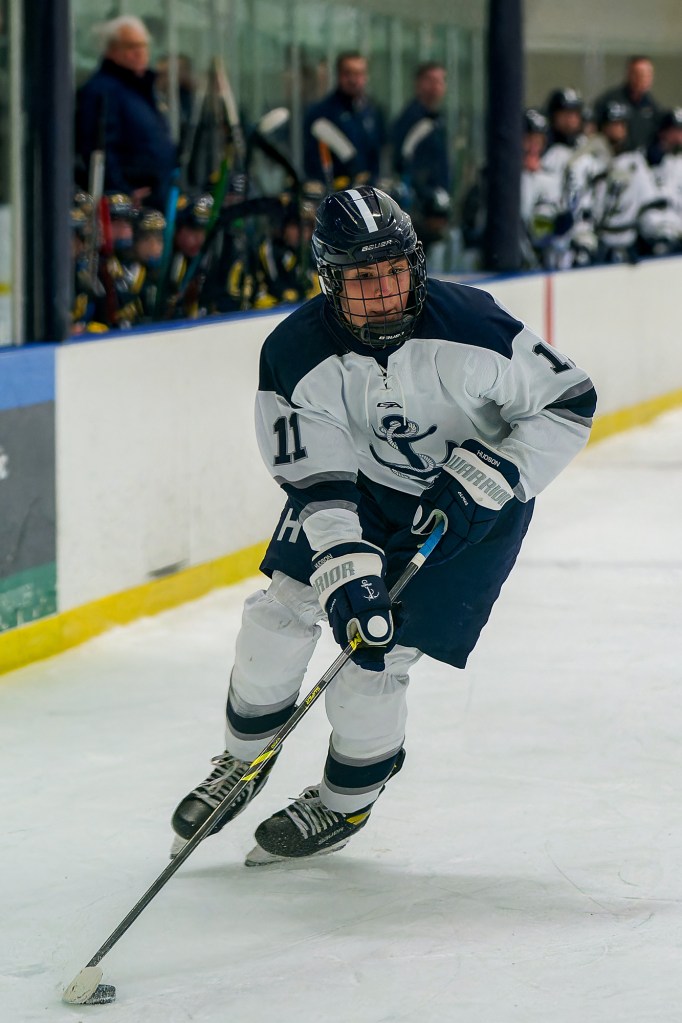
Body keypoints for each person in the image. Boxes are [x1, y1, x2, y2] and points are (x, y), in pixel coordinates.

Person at [169, 186, 596, 866]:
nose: (385, 293)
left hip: (474, 511)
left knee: (374, 656)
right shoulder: (294, 353)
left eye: (395, 271)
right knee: (279, 614)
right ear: (329, 280)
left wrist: (496, 472)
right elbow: (317, 478)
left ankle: (345, 801)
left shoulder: (474, 326)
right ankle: (241, 762)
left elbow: (569, 401)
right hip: (362, 490)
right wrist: (345, 565)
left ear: (415, 265)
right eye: (363, 278)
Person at [75, 15, 177, 211]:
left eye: (143, 46)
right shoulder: (103, 91)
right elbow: (99, 148)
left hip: (157, 198)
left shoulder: (141, 88)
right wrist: (122, 191)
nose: (140, 53)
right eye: (131, 47)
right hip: (127, 205)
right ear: (112, 50)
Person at [303, 52, 385, 189]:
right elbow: (313, 162)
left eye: (358, 74)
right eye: (348, 73)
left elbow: (378, 153)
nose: (353, 80)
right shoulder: (321, 113)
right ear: (338, 75)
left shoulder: (373, 111)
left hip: (369, 192)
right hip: (336, 193)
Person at [390, 62, 451, 216]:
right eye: (430, 80)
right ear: (418, 84)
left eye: (440, 81)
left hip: (436, 201)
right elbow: (402, 162)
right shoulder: (411, 120)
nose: (436, 86)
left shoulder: (437, 120)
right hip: (419, 207)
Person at [592, 55, 662, 153]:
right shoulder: (610, 100)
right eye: (639, 74)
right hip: (610, 155)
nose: (643, 79)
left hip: (640, 157)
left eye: (647, 75)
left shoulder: (652, 106)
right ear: (629, 74)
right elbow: (593, 127)